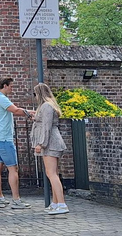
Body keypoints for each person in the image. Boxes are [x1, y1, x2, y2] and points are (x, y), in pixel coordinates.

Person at [0, 77, 34, 209]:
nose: (12, 88)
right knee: (13, 169)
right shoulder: (2, 98)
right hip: (3, 139)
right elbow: (15, 110)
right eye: (11, 86)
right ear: (5, 85)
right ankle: (16, 200)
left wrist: (28, 112)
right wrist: (31, 113)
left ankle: (0, 198)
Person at [31, 82, 69, 215]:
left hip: (51, 143)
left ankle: (62, 204)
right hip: (52, 142)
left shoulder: (46, 106)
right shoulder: (48, 106)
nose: (34, 97)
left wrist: (41, 144)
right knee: (53, 174)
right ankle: (55, 202)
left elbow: (47, 127)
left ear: (39, 94)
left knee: (51, 174)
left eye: (35, 94)